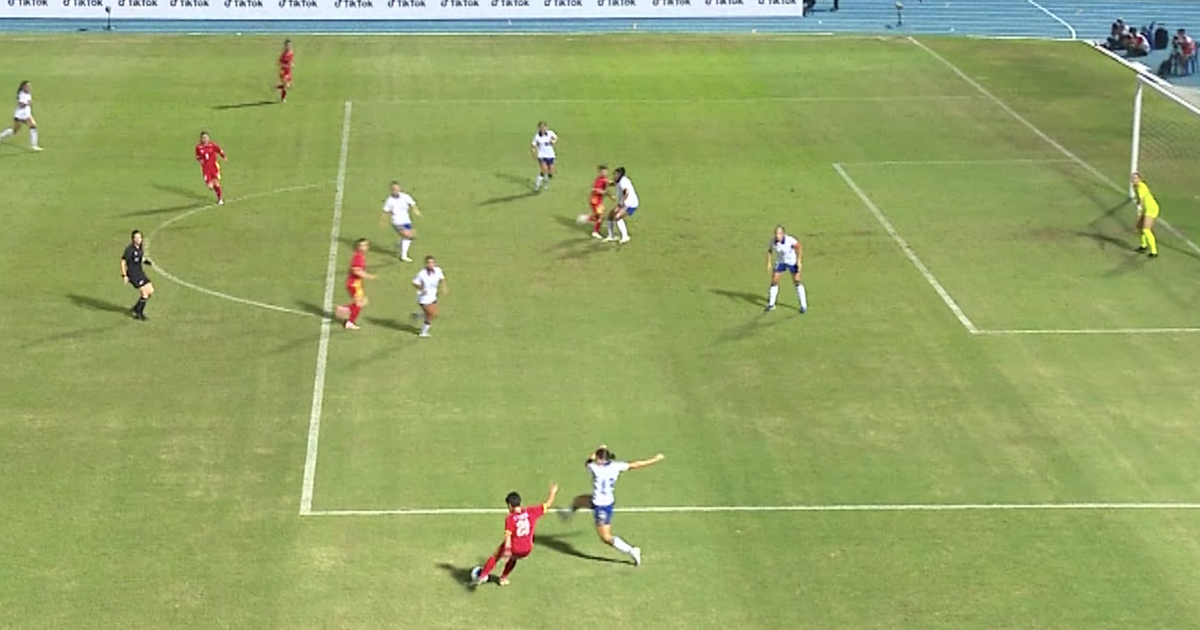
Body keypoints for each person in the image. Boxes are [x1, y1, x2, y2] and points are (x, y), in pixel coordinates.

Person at [562, 446, 665, 566]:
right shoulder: (616, 466)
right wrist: (654, 459)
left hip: (601, 507)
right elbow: (636, 464)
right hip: (603, 500)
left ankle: (632, 550)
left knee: (605, 537)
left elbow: (587, 462)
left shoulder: (594, 467)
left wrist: (595, 453)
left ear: (600, 459)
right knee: (578, 501)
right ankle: (567, 515)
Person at [470, 484, 559, 587]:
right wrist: (553, 492)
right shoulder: (531, 512)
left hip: (514, 548)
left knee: (496, 556)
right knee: (513, 558)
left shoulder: (510, 518)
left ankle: (482, 576)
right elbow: (547, 504)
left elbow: (508, 536)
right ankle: (503, 578)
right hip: (527, 549)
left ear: (509, 505)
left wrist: (507, 550)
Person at [765, 225, 808, 313]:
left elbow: (799, 247)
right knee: (774, 281)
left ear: (783, 234)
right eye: (776, 233)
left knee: (797, 281)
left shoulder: (790, 240)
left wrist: (799, 261)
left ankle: (803, 305)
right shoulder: (773, 241)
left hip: (792, 262)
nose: (777, 236)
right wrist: (769, 262)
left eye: (779, 234)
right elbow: (770, 250)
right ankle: (771, 304)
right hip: (781, 262)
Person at [378, 181, 422, 262]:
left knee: (411, 236)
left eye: (397, 189)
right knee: (408, 236)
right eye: (394, 189)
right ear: (391, 190)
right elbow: (385, 212)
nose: (396, 190)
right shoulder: (389, 201)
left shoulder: (405, 196)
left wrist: (416, 211)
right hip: (397, 222)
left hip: (406, 221)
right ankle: (403, 256)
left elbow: (412, 204)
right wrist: (383, 222)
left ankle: (399, 244)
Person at [335, 238, 374, 330]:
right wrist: (368, 276)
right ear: (357, 247)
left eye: (366, 245)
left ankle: (347, 313)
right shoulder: (358, 257)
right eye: (362, 245)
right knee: (360, 303)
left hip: (356, 283)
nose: (364, 247)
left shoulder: (361, 256)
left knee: (363, 302)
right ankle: (348, 318)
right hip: (354, 284)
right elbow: (356, 271)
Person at [120, 230, 155, 321]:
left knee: (151, 290)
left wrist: (146, 261)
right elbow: (123, 262)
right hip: (133, 274)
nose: (138, 239)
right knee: (144, 293)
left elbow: (139, 257)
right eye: (136, 237)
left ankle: (136, 307)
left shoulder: (140, 247)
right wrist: (124, 275)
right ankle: (139, 313)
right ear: (133, 239)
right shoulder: (129, 250)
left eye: (139, 237)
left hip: (140, 272)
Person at [412, 255, 447, 338]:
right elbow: (415, 283)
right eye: (428, 263)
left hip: (433, 296)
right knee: (430, 314)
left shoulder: (438, 270)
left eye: (432, 262)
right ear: (425, 264)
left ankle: (419, 315)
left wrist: (444, 287)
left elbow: (442, 279)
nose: (430, 264)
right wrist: (422, 289)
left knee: (434, 314)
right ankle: (423, 332)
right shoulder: (422, 274)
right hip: (423, 297)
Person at [0, 81, 40, 151]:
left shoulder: (28, 93)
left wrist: (29, 104)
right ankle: (1, 136)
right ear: (23, 87)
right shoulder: (21, 94)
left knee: (33, 126)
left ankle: (34, 145)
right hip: (20, 116)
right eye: (27, 86)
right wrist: (27, 103)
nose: (29, 87)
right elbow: (21, 104)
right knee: (14, 130)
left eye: (29, 86)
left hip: (27, 115)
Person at [606, 166, 638, 244]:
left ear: (619, 175)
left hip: (630, 203)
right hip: (623, 203)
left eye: (615, 174)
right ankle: (611, 236)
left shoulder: (623, 181)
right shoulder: (619, 180)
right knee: (610, 216)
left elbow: (626, 192)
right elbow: (612, 183)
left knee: (617, 216)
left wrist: (621, 204)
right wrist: (603, 183)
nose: (613, 176)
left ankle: (625, 237)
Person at [194, 131, 227, 205]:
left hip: (214, 167)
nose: (205, 139)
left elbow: (219, 150)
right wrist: (200, 160)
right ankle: (216, 191)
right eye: (203, 138)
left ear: (208, 138)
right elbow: (197, 156)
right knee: (210, 186)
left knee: (216, 183)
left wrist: (224, 156)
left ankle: (220, 199)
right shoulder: (198, 147)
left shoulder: (212, 145)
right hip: (206, 169)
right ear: (201, 139)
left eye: (206, 137)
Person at [1132, 172, 1160, 258]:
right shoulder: (1135, 187)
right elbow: (1139, 199)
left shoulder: (1142, 187)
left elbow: (1142, 199)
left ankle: (1154, 252)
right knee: (1139, 227)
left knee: (1146, 229)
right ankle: (1143, 246)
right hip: (1146, 208)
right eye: (1133, 178)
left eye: (1136, 178)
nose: (1134, 180)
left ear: (1140, 179)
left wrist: (1139, 209)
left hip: (1151, 208)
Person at [588, 165, 614, 239]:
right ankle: (595, 232)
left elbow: (610, 183)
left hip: (598, 201)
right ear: (600, 172)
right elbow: (597, 190)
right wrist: (608, 194)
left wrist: (618, 181)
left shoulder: (604, 179)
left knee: (599, 216)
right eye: (604, 171)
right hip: (595, 201)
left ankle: (587, 219)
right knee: (601, 216)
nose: (605, 173)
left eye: (606, 171)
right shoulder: (599, 180)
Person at [531, 121, 558, 192]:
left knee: (551, 172)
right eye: (541, 127)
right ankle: (537, 185)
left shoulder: (550, 133)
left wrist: (553, 141)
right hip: (542, 155)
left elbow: (555, 138)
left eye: (544, 127)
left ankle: (545, 183)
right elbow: (533, 146)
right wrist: (534, 154)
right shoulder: (537, 137)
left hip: (551, 155)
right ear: (539, 128)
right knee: (544, 170)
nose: (543, 129)